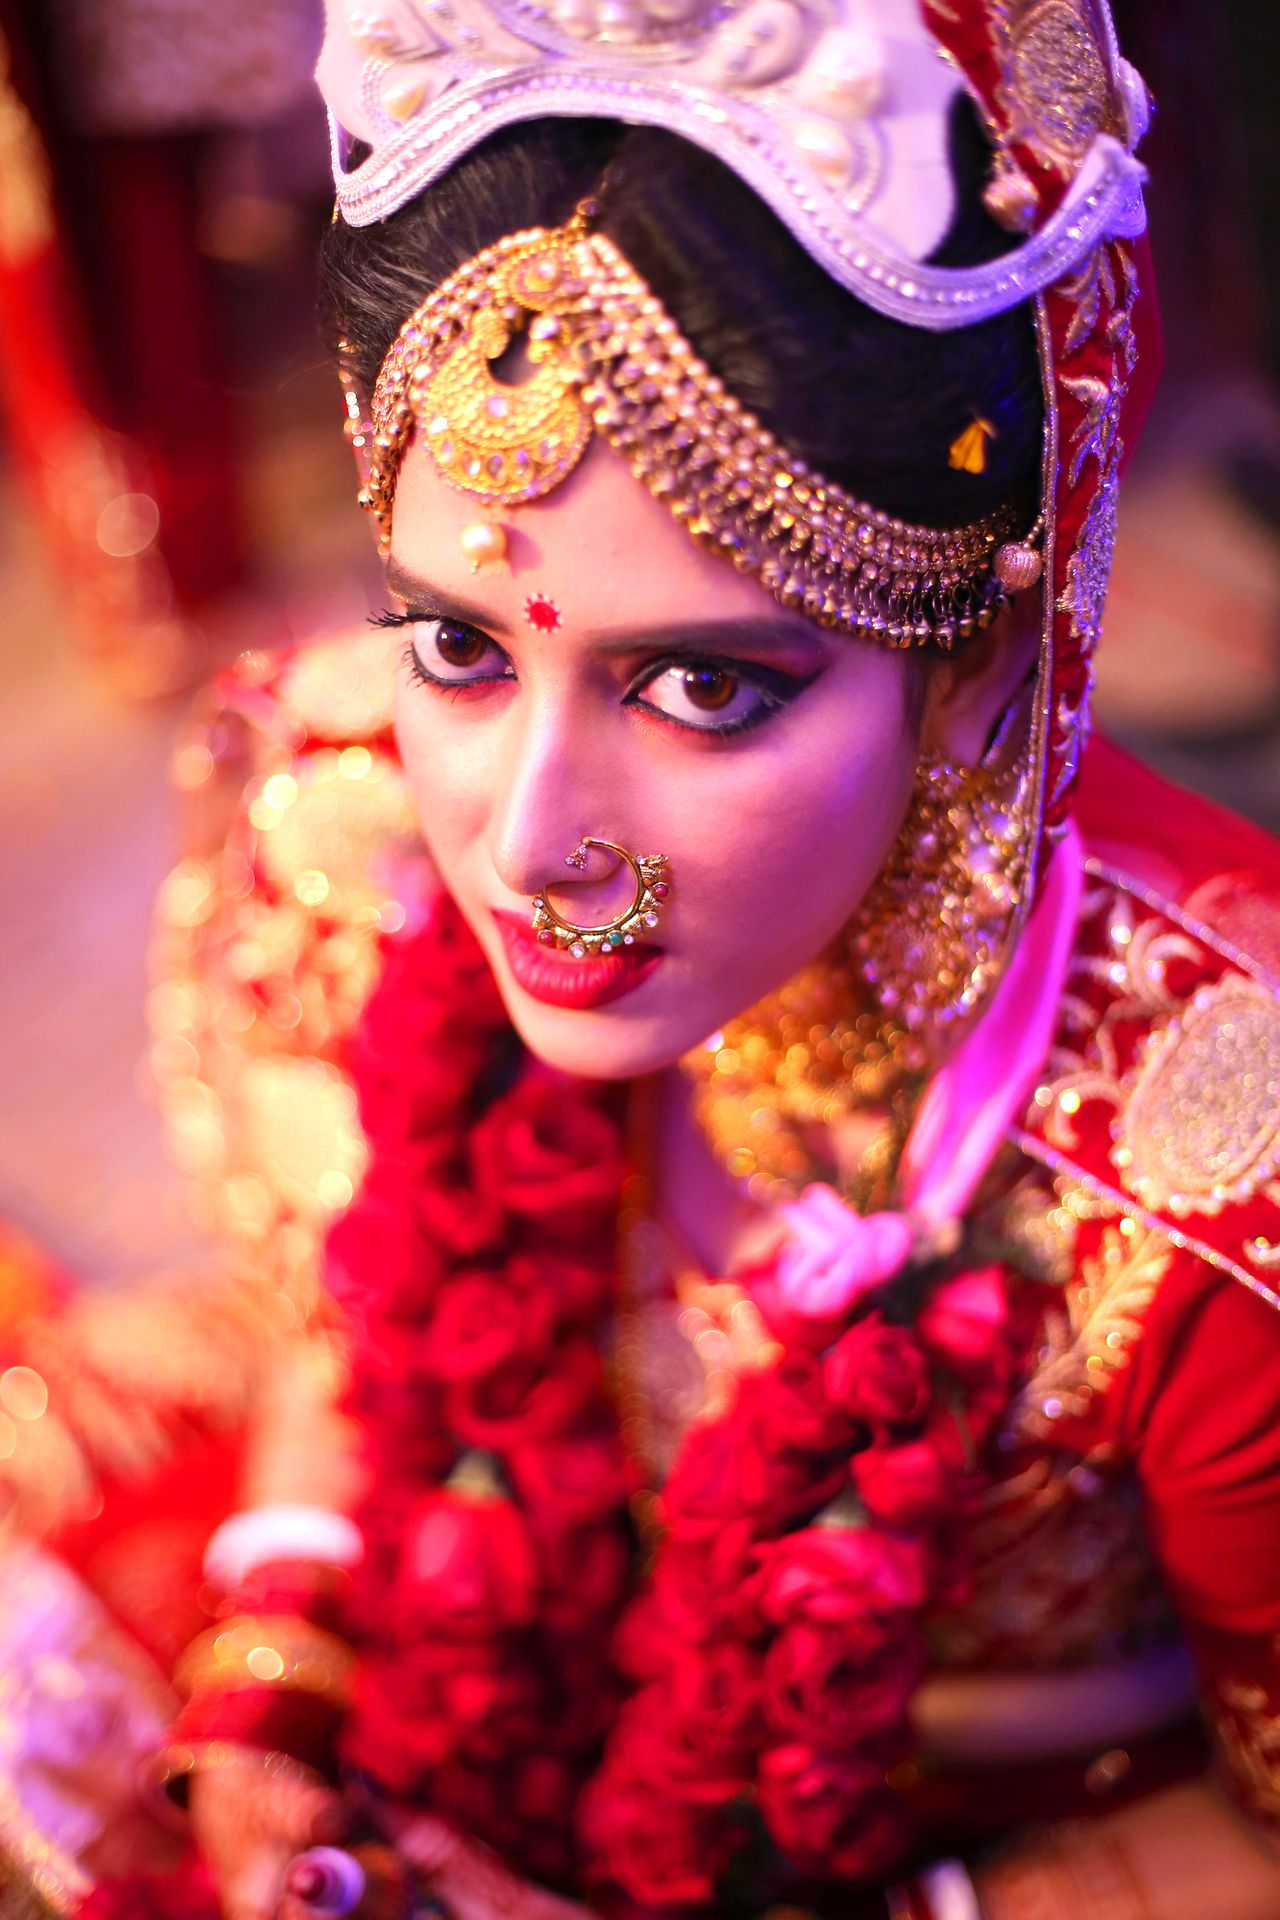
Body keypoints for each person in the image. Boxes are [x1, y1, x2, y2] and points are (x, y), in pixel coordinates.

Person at [8, 0, 1280, 1915]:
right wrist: (282, 1665)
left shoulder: (1207, 1173)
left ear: (977, 667)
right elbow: (365, 1322)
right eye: (459, 645)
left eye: (699, 684)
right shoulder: (350, 811)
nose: (524, 845)